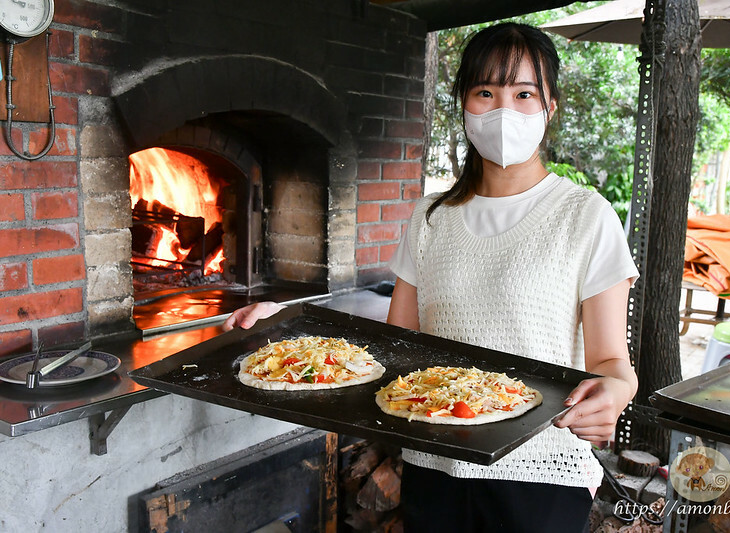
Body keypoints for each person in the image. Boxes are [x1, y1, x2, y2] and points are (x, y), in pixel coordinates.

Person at [224, 22, 638, 532]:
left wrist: (615, 393)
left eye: (523, 94)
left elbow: (612, 362)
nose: (503, 110)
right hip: (434, 461)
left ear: (549, 107)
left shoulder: (585, 216)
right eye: (485, 92)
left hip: (540, 473)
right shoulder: (431, 217)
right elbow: (393, 345)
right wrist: (290, 326)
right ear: (464, 105)